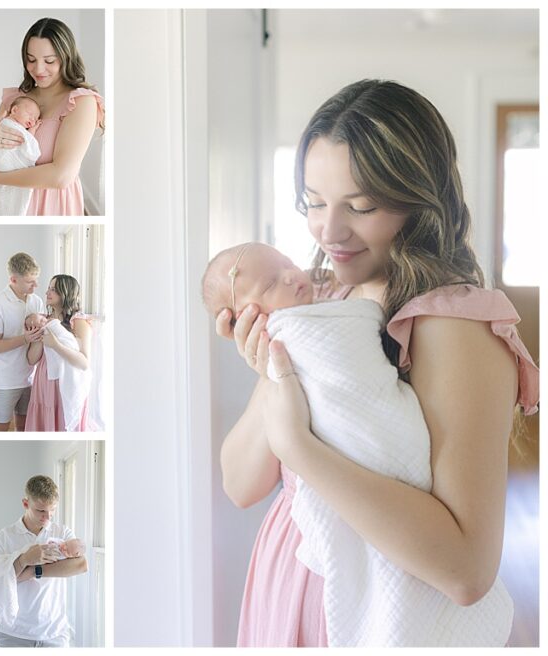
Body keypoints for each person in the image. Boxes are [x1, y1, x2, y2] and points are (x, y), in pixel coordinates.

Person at [215, 80, 539, 647]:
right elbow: (241, 484)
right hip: (286, 580)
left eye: (360, 207)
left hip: (369, 613)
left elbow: (466, 571)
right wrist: (275, 369)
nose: (328, 231)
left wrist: (299, 448)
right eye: (314, 202)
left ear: (418, 198)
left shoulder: (453, 325)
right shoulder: (320, 301)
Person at [0, 17, 105, 216]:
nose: (38, 69)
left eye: (49, 61)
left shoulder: (81, 102)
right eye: (31, 59)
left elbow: (61, 176)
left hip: (53, 204)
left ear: (66, 57)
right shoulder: (15, 99)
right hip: (9, 200)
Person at [0, 475, 88, 647]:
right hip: (14, 633)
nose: (48, 517)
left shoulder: (62, 533)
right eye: (41, 511)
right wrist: (24, 559)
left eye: (52, 510)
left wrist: (33, 570)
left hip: (55, 634)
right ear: (25, 503)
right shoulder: (4, 537)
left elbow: (81, 565)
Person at [0, 252, 46, 431]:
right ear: (13, 280)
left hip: (29, 379)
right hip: (3, 382)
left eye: (36, 280)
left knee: (25, 430)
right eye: (30, 282)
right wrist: (24, 339)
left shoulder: (37, 301)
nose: (36, 285)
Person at [25, 274, 92, 432]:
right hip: (44, 381)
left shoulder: (79, 322)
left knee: (63, 422)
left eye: (53, 289)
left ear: (65, 293)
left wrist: (55, 345)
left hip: (67, 382)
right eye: (48, 288)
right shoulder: (43, 320)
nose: (47, 292)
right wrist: (39, 334)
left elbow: (84, 363)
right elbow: (31, 359)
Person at [0, 96, 43, 216]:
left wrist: (33, 129)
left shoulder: (20, 129)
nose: (32, 120)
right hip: (3, 162)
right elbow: (31, 149)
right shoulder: (7, 124)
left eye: (35, 118)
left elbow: (26, 140)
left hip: (7, 170)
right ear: (15, 110)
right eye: (30, 114)